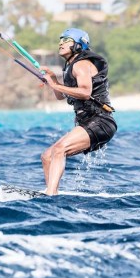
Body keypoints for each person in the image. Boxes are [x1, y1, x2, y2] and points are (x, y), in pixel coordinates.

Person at [40, 28, 117, 196]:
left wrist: (54, 85)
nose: (61, 43)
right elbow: (61, 95)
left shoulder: (82, 65)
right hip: (89, 122)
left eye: (66, 40)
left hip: (101, 121)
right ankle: (51, 193)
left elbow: (85, 92)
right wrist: (53, 79)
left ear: (78, 44)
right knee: (47, 156)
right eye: (60, 39)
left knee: (59, 149)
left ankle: (51, 193)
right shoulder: (71, 67)